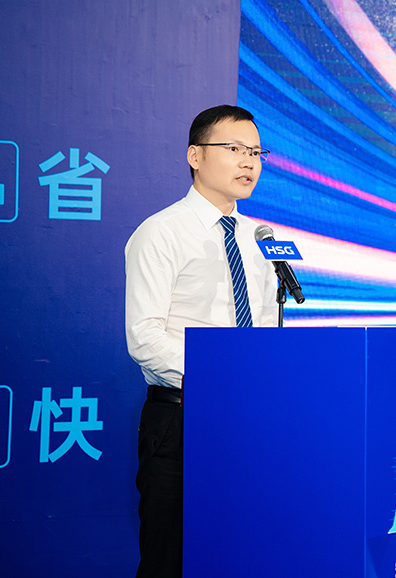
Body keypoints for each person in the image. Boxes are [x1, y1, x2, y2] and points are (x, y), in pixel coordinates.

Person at [124, 105, 278, 577]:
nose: (248, 161)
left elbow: (266, 328)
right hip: (182, 418)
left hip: (252, 417)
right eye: (234, 149)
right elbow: (144, 337)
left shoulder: (262, 237)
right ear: (195, 156)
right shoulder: (161, 232)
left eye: (256, 152)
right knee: (170, 558)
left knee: (242, 552)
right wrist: (218, 380)